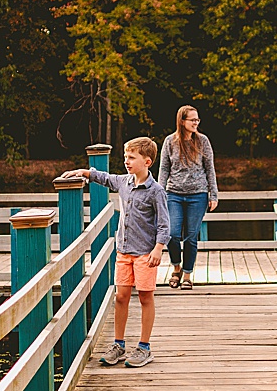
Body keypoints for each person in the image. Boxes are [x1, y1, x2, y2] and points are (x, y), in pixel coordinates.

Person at [58, 137, 169, 368]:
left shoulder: (155, 191)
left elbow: (164, 224)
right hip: (123, 251)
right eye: (125, 157)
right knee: (121, 297)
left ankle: (144, 347)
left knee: (146, 297)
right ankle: (119, 344)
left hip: (145, 253)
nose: (126, 161)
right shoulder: (124, 182)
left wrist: (159, 248)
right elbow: (105, 178)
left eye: (131, 157)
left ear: (147, 161)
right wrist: (83, 172)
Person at [158, 105, 220, 289]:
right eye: (192, 120)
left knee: (191, 236)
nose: (196, 123)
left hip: (198, 194)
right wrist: (160, 193)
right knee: (172, 234)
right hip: (174, 194)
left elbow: (210, 168)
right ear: (182, 121)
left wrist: (213, 194)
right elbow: (163, 169)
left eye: (197, 119)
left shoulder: (203, 141)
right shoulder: (170, 142)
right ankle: (175, 268)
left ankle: (187, 274)